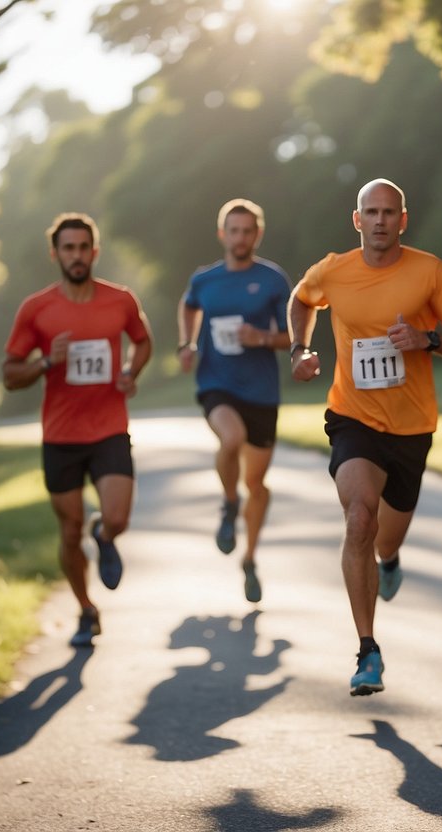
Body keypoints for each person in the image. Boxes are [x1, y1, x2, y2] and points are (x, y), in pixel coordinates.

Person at [289, 178, 442, 696]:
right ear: (357, 220)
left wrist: (427, 339)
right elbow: (302, 300)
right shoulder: (334, 271)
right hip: (353, 416)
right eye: (370, 212)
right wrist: (298, 350)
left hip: (412, 426)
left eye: (388, 212)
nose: (379, 221)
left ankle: (389, 559)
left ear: (403, 219)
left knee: (385, 537)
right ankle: (367, 650)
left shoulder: (429, 271)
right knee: (359, 519)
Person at [3, 212, 154, 648]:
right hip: (61, 436)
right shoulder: (37, 309)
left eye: (83, 247)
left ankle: (103, 535)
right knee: (68, 531)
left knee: (118, 518)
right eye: (68, 248)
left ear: (95, 251)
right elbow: (10, 374)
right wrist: (48, 361)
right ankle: (86, 610)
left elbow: (142, 340)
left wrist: (130, 371)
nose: (76, 255)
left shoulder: (119, 300)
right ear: (56, 254)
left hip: (109, 427)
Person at [177, 198, 293, 603]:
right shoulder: (205, 280)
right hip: (217, 383)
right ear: (221, 234)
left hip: (261, 391)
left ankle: (250, 558)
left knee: (257, 485)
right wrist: (187, 343)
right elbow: (188, 305)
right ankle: (229, 505)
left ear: (257, 235)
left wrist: (259, 337)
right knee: (230, 439)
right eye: (234, 230)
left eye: (248, 231)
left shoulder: (273, 280)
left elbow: (294, 335)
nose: (240, 237)